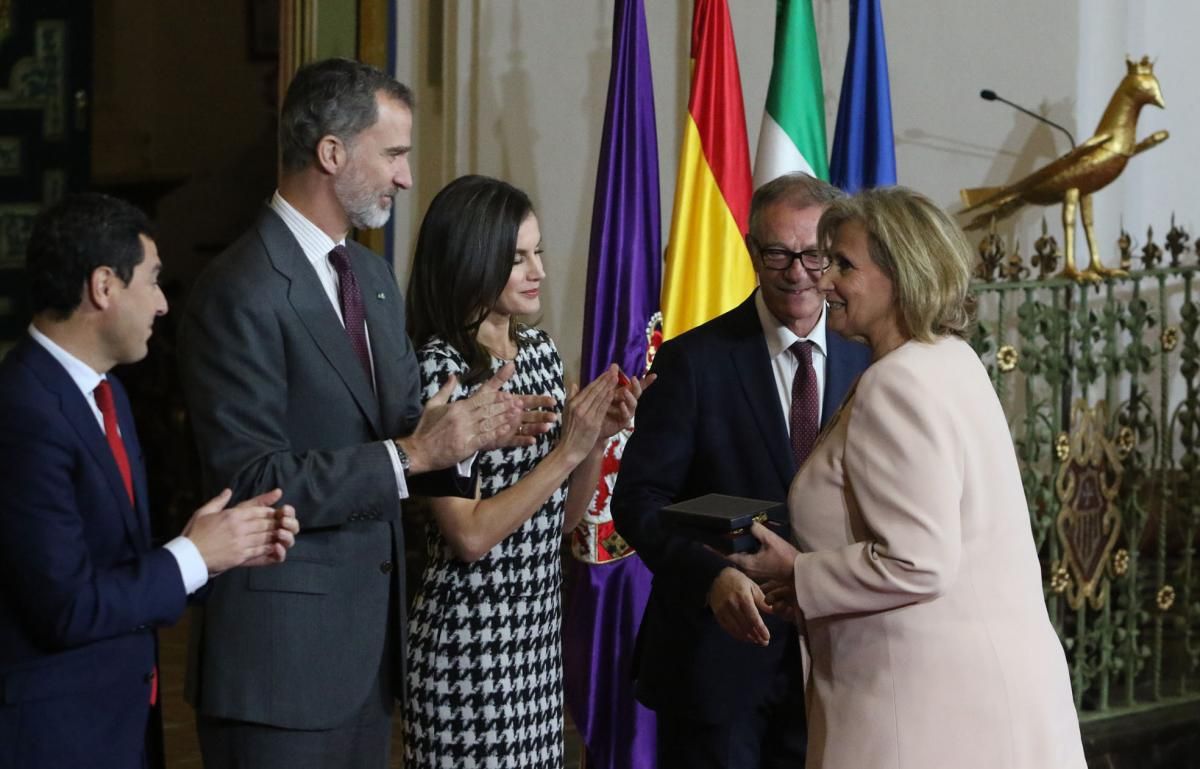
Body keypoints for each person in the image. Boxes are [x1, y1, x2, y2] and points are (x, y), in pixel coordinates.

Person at [177, 60, 540, 769]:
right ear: (332, 152)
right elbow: (251, 477)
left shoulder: (371, 277)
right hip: (278, 669)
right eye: (395, 154)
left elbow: (414, 434)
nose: (406, 178)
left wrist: (470, 428)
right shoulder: (239, 288)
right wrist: (416, 454)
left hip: (370, 663)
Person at [729, 186, 1087, 769]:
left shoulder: (898, 384)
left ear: (902, 275)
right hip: (975, 699)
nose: (823, 282)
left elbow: (919, 560)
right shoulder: (949, 360)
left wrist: (800, 574)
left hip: (920, 713)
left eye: (844, 265)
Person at [0, 193, 298, 769]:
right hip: (55, 737)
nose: (164, 304)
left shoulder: (109, 393)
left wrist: (216, 552)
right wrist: (190, 556)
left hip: (120, 723)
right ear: (104, 287)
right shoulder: (24, 409)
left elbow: (119, 565)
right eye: (154, 281)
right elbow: (66, 607)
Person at [611, 173, 871, 768]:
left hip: (835, 660)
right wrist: (710, 577)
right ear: (753, 250)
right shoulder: (693, 360)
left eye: (814, 255)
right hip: (718, 667)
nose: (798, 272)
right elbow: (639, 502)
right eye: (778, 253)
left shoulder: (870, 359)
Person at [402, 174, 643, 768]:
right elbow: (470, 536)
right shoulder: (442, 369)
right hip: (469, 646)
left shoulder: (539, 353)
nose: (537, 269)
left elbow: (559, 523)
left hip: (536, 644)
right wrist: (566, 450)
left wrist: (593, 443)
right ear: (472, 260)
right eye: (517, 258)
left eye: (537, 252)